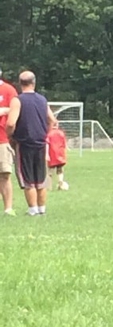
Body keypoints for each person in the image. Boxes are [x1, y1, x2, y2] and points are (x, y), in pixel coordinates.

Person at [6, 71, 56, 216]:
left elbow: (10, 123)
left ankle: (32, 210)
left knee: (28, 179)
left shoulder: (18, 100)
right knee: (40, 178)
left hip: (24, 143)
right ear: (34, 82)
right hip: (40, 143)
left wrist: (11, 136)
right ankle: (42, 209)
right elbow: (52, 120)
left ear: (20, 83)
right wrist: (45, 134)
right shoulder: (42, 100)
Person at [0, 67, 18, 216]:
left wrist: (5, 110)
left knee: (4, 174)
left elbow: (15, 110)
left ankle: (8, 208)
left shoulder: (8, 90)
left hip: (2, 140)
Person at [46, 121, 68, 190]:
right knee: (60, 170)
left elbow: (47, 144)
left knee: (50, 172)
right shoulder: (61, 133)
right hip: (60, 155)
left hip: (52, 155)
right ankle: (61, 184)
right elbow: (64, 144)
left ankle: (49, 187)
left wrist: (46, 154)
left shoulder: (49, 134)